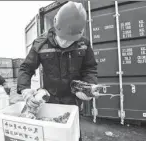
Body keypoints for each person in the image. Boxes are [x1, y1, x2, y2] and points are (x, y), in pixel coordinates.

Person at [17, 1, 98, 141]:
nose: (66, 43)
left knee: (72, 135)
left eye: (70, 40)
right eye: (63, 38)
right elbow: (26, 68)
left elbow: (90, 68)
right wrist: (25, 90)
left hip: (73, 101)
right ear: (55, 25)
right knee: (50, 136)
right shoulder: (40, 44)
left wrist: (89, 87)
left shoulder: (84, 44)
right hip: (50, 100)